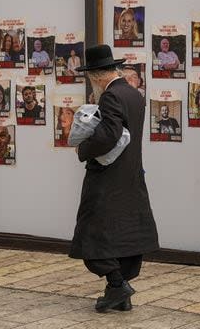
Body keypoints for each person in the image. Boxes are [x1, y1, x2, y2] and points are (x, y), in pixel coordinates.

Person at [70, 44, 159, 313]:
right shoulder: (133, 93)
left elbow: (109, 134)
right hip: (130, 177)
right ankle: (119, 294)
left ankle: (118, 285)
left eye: (90, 77)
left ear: (96, 75)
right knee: (125, 233)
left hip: (107, 178)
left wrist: (83, 149)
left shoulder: (110, 96)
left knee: (92, 233)